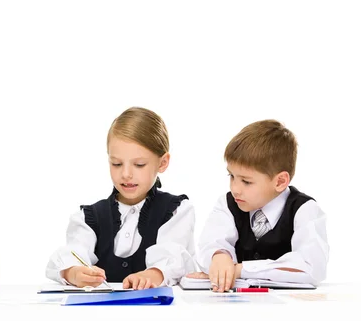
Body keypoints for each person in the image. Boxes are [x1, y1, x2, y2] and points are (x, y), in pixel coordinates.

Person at [46, 107, 196, 289]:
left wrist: (152, 275)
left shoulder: (176, 210)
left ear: (162, 163)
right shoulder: (89, 217)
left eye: (139, 165)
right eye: (116, 164)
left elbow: (174, 256)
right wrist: (74, 272)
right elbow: (74, 252)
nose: (126, 174)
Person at [189, 119, 328, 292]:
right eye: (231, 176)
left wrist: (240, 269)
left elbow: (312, 267)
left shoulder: (304, 209)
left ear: (280, 181)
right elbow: (209, 243)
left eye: (246, 182)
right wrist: (219, 257)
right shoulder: (228, 204)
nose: (235, 189)